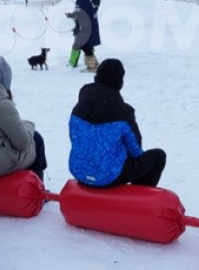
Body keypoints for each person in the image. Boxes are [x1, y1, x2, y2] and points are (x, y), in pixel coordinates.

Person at [68, 58, 166, 187]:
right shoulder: (124, 112)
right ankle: (138, 200)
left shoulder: (78, 109)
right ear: (120, 82)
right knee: (158, 157)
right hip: (109, 177)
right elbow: (136, 150)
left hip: (79, 171)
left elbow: (76, 139)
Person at [0, 56, 47, 180]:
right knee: (36, 139)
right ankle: (37, 188)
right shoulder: (3, 105)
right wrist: (29, 125)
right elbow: (22, 142)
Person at [66, 0, 101, 72]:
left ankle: (92, 67)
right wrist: (71, 15)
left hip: (86, 25)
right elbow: (80, 10)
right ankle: (94, 65)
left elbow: (83, 11)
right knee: (86, 45)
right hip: (85, 24)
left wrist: (81, 24)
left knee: (84, 45)